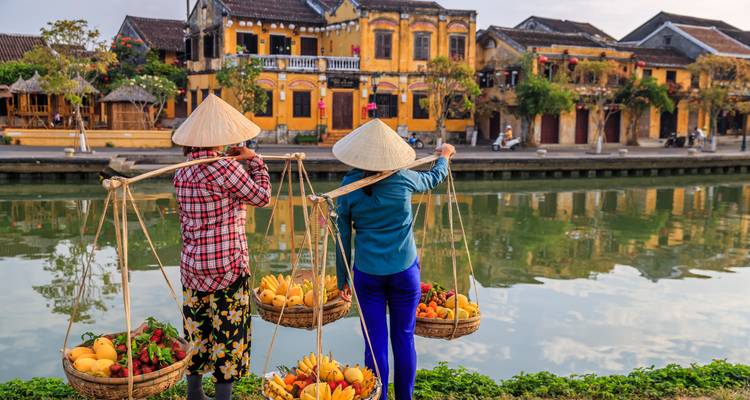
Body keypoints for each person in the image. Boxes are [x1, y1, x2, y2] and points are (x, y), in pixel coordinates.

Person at [334, 119, 455, 400]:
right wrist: (444, 156)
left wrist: (343, 279)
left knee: (374, 343)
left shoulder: (348, 187)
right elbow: (433, 178)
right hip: (404, 273)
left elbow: (341, 239)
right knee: (403, 338)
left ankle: (377, 397)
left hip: (367, 275)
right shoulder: (403, 178)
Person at [172, 94, 271, 400]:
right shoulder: (225, 168)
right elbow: (262, 197)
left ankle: (195, 392)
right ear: (220, 140)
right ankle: (223, 396)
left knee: (196, 328)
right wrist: (255, 162)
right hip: (227, 263)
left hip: (193, 265)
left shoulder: (181, 172)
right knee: (229, 329)